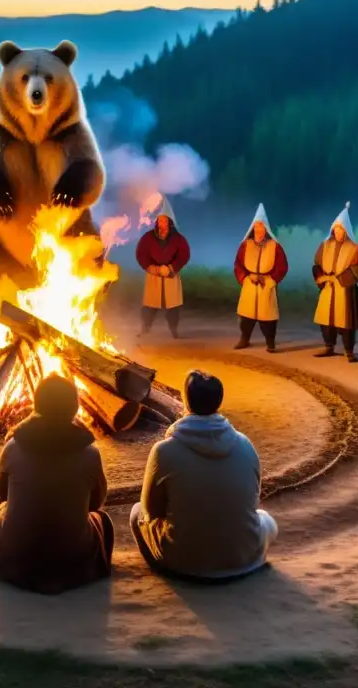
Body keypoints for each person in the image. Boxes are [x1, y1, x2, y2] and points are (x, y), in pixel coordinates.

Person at [130, 370, 278, 581]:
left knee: (137, 513)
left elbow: (151, 511)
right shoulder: (244, 444)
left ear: (185, 402)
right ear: (219, 401)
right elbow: (253, 501)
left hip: (183, 563)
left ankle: (162, 566)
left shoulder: (164, 451)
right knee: (267, 520)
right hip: (243, 558)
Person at [0, 374, 113, 595]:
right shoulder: (90, 453)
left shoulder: (13, 447)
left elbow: (2, 495)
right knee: (103, 521)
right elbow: (97, 502)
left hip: (19, 562)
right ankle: (91, 565)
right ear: (75, 407)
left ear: (37, 404)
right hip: (73, 563)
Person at [312, 202, 358, 362]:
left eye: (340, 229)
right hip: (328, 288)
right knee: (326, 318)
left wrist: (340, 279)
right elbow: (317, 264)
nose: (337, 232)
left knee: (346, 320)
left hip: (344, 288)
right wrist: (321, 278)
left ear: (346, 231)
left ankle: (348, 350)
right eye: (335, 229)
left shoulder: (355, 249)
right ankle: (329, 346)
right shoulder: (325, 245)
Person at [233, 204, 288, 352]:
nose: (259, 231)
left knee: (268, 317)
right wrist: (245, 277)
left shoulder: (275, 246)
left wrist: (270, 280)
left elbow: (282, 267)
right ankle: (244, 339)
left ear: (266, 230)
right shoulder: (245, 245)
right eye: (256, 227)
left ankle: (270, 343)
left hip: (266, 285)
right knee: (246, 316)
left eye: (261, 228)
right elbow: (238, 265)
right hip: (250, 284)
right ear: (253, 229)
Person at [135, 196, 191, 339]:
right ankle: (145, 328)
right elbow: (141, 254)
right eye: (160, 220)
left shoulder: (178, 239)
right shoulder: (148, 238)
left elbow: (184, 255)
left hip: (171, 274)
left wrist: (172, 268)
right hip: (154, 274)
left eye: (165, 220)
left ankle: (173, 330)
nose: (162, 223)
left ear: (170, 222)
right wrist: (150, 267)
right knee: (150, 305)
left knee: (173, 306)